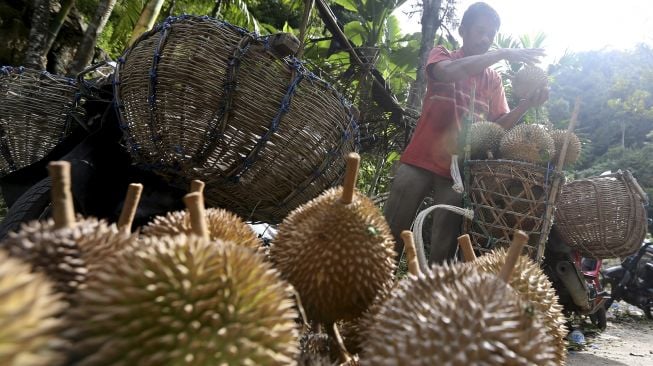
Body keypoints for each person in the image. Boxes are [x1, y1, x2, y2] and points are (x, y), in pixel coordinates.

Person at [383, 2, 549, 265]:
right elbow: (447, 73)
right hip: (420, 159)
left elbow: (498, 127)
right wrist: (501, 53)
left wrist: (527, 104)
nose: (485, 39)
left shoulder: (493, 81)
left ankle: (433, 301)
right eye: (479, 31)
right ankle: (369, 294)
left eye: (490, 35)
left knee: (444, 249)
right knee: (390, 233)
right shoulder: (443, 55)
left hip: (457, 172)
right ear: (463, 30)